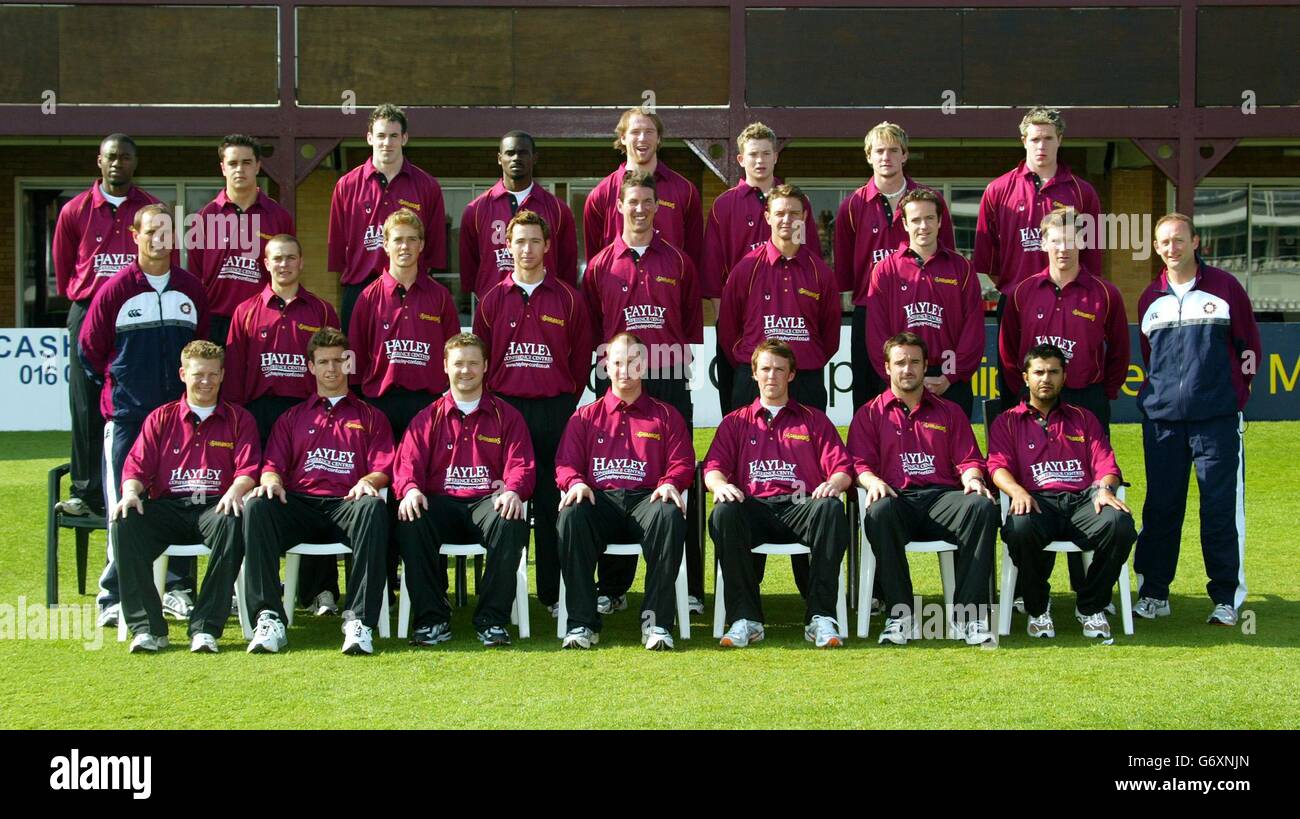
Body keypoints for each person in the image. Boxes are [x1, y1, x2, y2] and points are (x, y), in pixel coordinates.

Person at [79, 203, 208, 627]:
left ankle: (176, 588)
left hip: (181, 421)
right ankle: (115, 595)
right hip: (130, 420)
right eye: (151, 231)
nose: (159, 239)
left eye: (166, 232)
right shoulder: (115, 290)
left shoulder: (191, 288)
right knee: (126, 505)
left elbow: (201, 350)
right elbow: (90, 352)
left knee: (181, 501)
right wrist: (121, 391)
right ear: (134, 235)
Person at [582, 170, 704, 615]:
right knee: (614, 478)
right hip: (614, 377)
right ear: (619, 206)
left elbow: (689, 324)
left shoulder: (679, 262)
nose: (639, 209)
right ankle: (612, 587)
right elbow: (591, 328)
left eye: (646, 203)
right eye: (631, 202)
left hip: (668, 375)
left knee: (675, 480)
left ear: (657, 208)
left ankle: (685, 589)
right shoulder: (598, 265)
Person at [1133, 213, 1261, 627]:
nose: (1172, 248)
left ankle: (1225, 597)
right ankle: (1154, 592)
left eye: (1179, 240)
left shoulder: (1226, 288)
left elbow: (1249, 349)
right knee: (1161, 508)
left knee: (1218, 509)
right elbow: (1151, 358)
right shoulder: (1149, 297)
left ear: (1195, 241)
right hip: (1164, 424)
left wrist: (1232, 399)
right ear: (1157, 248)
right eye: (1164, 242)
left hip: (1216, 421)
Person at [242, 328, 395, 655]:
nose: (331, 369)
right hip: (302, 505)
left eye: (338, 361)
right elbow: (272, 465)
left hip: (347, 504)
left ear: (349, 364)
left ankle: (358, 621)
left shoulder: (371, 416)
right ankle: (269, 618)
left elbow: (383, 467)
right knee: (257, 507)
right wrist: (270, 481)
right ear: (310, 367)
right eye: (323, 361)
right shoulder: (292, 417)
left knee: (373, 508)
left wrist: (370, 481)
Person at [473, 210, 594, 617]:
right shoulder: (491, 300)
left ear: (547, 246)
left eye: (534, 241)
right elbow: (482, 360)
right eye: (519, 241)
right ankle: (505, 594)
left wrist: (564, 401)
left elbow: (579, 364)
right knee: (506, 499)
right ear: (508, 247)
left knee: (551, 501)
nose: (527, 248)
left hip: (555, 410)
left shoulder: (568, 299)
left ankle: (553, 594)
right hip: (506, 412)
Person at [848, 332, 997, 646]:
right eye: (900, 362)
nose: (907, 369)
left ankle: (968, 617)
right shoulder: (869, 414)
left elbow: (969, 458)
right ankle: (901, 616)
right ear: (886, 367)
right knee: (878, 510)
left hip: (941, 498)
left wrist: (972, 478)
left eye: (914, 362)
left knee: (981, 506)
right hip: (896, 498)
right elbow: (859, 463)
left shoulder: (949, 412)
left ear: (925, 365)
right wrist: (873, 481)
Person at [704, 339, 853, 649]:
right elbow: (713, 468)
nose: (772, 376)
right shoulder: (735, 422)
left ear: (792, 375)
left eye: (779, 370)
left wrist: (835, 485)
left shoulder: (814, 420)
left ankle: (821, 617)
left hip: (801, 505)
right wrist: (720, 486)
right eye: (765, 369)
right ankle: (746, 618)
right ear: (754, 375)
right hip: (754, 506)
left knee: (830, 508)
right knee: (723, 511)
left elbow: (842, 468)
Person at [113, 341, 260, 653]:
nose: (205, 381)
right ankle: (148, 629)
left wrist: (236, 490)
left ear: (222, 375)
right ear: (183, 374)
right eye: (197, 374)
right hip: (169, 507)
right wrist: (129, 493)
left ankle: (205, 627)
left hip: (215, 506)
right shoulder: (160, 418)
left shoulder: (239, 419)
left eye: (212, 374)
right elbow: (137, 467)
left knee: (233, 522)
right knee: (125, 521)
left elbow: (248, 469)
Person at [53, 134, 170, 519]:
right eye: (111, 157)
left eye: (126, 157)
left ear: (136, 163)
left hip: (140, 308)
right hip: (90, 311)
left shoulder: (151, 209)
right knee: (86, 402)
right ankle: (87, 493)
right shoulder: (75, 210)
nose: (118, 163)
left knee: (147, 400)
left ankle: (153, 483)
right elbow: (64, 267)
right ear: (99, 162)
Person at [394, 333, 535, 647]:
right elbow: (407, 463)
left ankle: (492, 620)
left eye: (473, 363)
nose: (466, 370)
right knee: (410, 516)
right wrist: (411, 489)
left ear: (485, 366)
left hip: (487, 503)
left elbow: (521, 464)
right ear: (445, 366)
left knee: (510, 518)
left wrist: (513, 490)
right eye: (458, 363)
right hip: (440, 504)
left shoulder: (507, 416)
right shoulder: (426, 418)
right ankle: (432, 619)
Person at [555, 333, 694, 650]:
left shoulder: (666, 415)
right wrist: (575, 482)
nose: (624, 369)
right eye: (617, 362)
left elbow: (683, 462)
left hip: (647, 500)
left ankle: (655, 624)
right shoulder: (584, 417)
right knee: (571, 515)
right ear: (606, 366)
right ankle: (582, 625)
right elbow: (565, 463)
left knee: (669, 514)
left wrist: (671, 482)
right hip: (600, 501)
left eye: (632, 362)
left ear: (644, 365)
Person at [987, 343, 1135, 640]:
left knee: (1119, 525)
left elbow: (1106, 462)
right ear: (1025, 378)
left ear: (1064, 377)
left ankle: (1091, 605)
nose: (1046, 378)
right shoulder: (1008, 421)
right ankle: (1038, 607)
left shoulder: (1084, 418)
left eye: (1053, 372)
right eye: (1038, 372)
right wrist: (1016, 491)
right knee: (1018, 528)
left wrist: (1106, 490)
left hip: (1083, 502)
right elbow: (996, 466)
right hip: (1037, 501)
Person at [702, 122, 821, 416]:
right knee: (737, 404)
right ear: (741, 159)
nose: (760, 161)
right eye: (753, 154)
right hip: (740, 320)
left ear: (776, 156)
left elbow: (810, 261)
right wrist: (722, 317)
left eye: (766, 153)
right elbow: (713, 267)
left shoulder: (796, 202)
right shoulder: (724, 205)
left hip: (790, 316)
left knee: (797, 404)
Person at [835, 122, 954, 408]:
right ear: (868, 156)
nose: (886, 157)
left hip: (917, 305)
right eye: (879, 151)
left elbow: (945, 255)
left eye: (893, 150)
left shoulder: (930, 201)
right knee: (868, 397)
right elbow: (845, 269)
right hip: (870, 308)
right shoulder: (852, 205)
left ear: (904, 155)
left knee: (917, 393)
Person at [999, 206, 1129, 435]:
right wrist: (1023, 388)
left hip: (1087, 397)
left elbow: (1120, 351)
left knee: (1091, 470)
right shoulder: (1022, 292)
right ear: (1043, 244)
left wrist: (1102, 393)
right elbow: (1007, 350)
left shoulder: (1106, 293)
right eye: (1056, 241)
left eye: (1070, 240)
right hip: (1036, 397)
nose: (1063, 249)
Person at [719, 184, 840, 411]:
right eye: (780, 213)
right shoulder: (746, 268)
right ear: (767, 217)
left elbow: (830, 334)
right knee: (748, 446)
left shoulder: (820, 272)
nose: (787, 220)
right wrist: (750, 362)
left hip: (806, 378)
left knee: (807, 446)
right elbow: (728, 328)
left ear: (804, 216)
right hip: (754, 379)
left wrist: (807, 357)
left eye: (794, 213)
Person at [328, 103, 447, 332]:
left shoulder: (427, 186)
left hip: (411, 288)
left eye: (394, 136)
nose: (387, 142)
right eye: (381, 135)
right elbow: (338, 250)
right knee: (355, 365)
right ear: (369, 138)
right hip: (359, 288)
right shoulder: (347, 185)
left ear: (404, 138)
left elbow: (433, 249)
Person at [867, 188, 983, 418]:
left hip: (949, 380)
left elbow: (973, 328)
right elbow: (876, 332)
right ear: (905, 225)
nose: (923, 226)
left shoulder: (961, 268)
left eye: (930, 218)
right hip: (902, 375)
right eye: (916, 220)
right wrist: (895, 376)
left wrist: (950, 377)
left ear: (940, 221)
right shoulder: (885, 270)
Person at [974, 107, 1102, 299]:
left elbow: (1092, 255)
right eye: (1035, 139)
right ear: (1024, 141)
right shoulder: (997, 190)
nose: (1041, 146)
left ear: (1059, 140)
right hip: (1015, 301)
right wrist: (1014, 288)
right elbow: (987, 258)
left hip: (1070, 300)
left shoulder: (1083, 192)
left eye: (1048, 138)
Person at [222, 234, 340, 441]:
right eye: (277, 258)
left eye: (291, 258)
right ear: (267, 264)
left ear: (301, 262)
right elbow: (234, 370)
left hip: (309, 410)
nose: (284, 264)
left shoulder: (322, 310)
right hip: (259, 412)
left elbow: (336, 364)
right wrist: (237, 419)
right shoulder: (245, 311)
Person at [187, 134, 295, 345]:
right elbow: (195, 278)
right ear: (223, 168)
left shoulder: (279, 217)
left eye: (246, 163)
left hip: (262, 319)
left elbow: (287, 271)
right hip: (214, 322)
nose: (239, 169)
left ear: (257, 166)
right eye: (233, 163)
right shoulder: (204, 217)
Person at [459, 130, 577, 298]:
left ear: (534, 158)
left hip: (547, 310)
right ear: (500, 159)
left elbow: (567, 270)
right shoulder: (476, 210)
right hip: (494, 309)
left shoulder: (558, 209)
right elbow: (469, 271)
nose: (516, 158)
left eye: (523, 153)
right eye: (510, 153)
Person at [583, 108, 702, 266]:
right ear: (623, 137)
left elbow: (695, 255)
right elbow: (594, 259)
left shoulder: (685, 190)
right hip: (617, 287)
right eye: (635, 132)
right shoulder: (601, 193)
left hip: (670, 287)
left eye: (649, 131)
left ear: (658, 138)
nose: (642, 138)